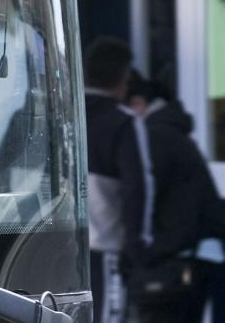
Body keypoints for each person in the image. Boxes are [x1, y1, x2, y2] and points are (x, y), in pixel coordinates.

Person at [123, 72, 224, 322]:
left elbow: (145, 199)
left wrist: (142, 253)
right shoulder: (170, 132)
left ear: (137, 104)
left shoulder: (152, 136)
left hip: (180, 260)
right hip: (197, 255)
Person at [83, 37, 143, 323]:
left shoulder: (62, 115)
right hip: (105, 246)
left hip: (56, 243)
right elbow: (138, 191)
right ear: (124, 78)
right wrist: (136, 247)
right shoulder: (122, 122)